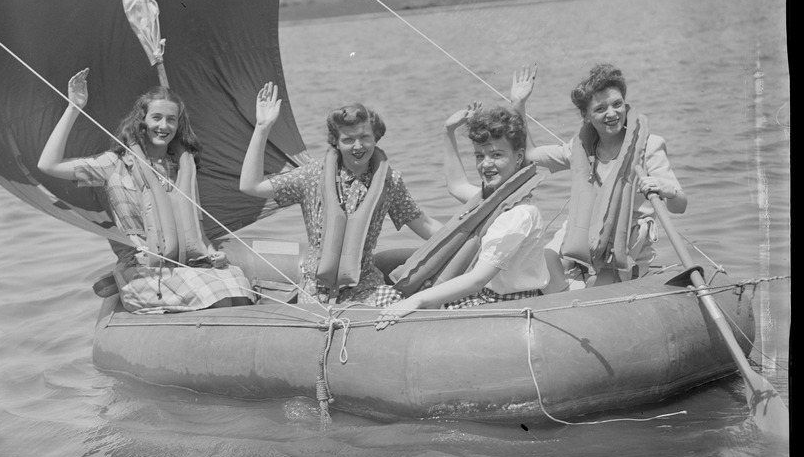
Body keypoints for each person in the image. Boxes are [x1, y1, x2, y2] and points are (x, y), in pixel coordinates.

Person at [38, 68, 254, 313]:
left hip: (184, 264)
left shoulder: (182, 167)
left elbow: (195, 231)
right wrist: (73, 107)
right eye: (156, 118)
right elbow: (48, 165)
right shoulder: (114, 164)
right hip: (141, 270)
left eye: (171, 119)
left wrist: (215, 255)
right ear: (142, 121)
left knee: (238, 287)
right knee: (220, 299)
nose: (164, 126)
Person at [239, 82, 444, 307]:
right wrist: (262, 127)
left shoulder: (389, 182)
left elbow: (423, 224)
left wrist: (473, 241)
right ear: (335, 142)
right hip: (316, 290)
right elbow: (252, 186)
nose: (358, 146)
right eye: (348, 140)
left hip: (366, 287)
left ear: (376, 138)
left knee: (398, 308)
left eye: (365, 137)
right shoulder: (312, 175)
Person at [511, 63, 686, 287]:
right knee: (545, 263)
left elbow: (680, 206)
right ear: (586, 116)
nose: (611, 114)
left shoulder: (650, 146)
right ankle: (566, 298)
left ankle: (576, 296)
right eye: (600, 109)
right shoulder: (581, 148)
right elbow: (530, 155)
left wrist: (666, 190)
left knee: (598, 289)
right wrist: (518, 104)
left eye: (617, 104)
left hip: (625, 246)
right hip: (582, 231)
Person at [376, 105, 550, 328]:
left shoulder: (519, 214)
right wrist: (448, 132)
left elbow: (477, 280)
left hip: (500, 302)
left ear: (518, 157)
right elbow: (456, 185)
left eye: (496, 155)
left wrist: (416, 301)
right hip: (483, 294)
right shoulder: (493, 200)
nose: (486, 164)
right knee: (384, 289)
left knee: (398, 301)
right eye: (480, 155)